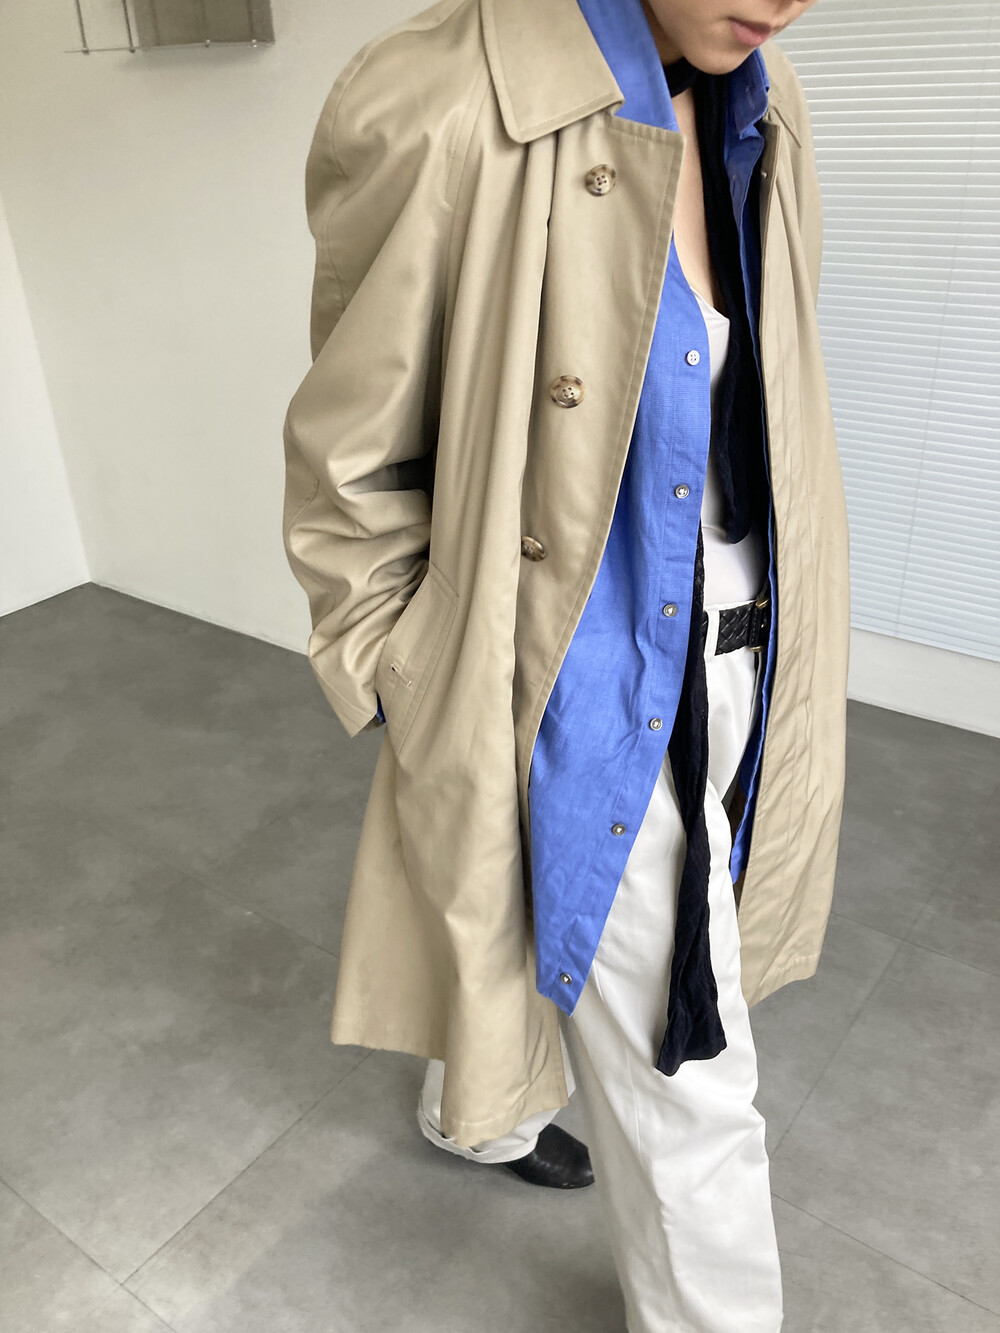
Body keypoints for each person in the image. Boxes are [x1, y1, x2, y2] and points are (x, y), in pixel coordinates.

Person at [282, 0, 849, 1328]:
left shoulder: (766, 101)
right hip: (584, 667)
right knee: (688, 1069)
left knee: (523, 918)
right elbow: (350, 450)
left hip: (747, 637)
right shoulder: (440, 100)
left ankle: (473, 1109)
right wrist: (405, 670)